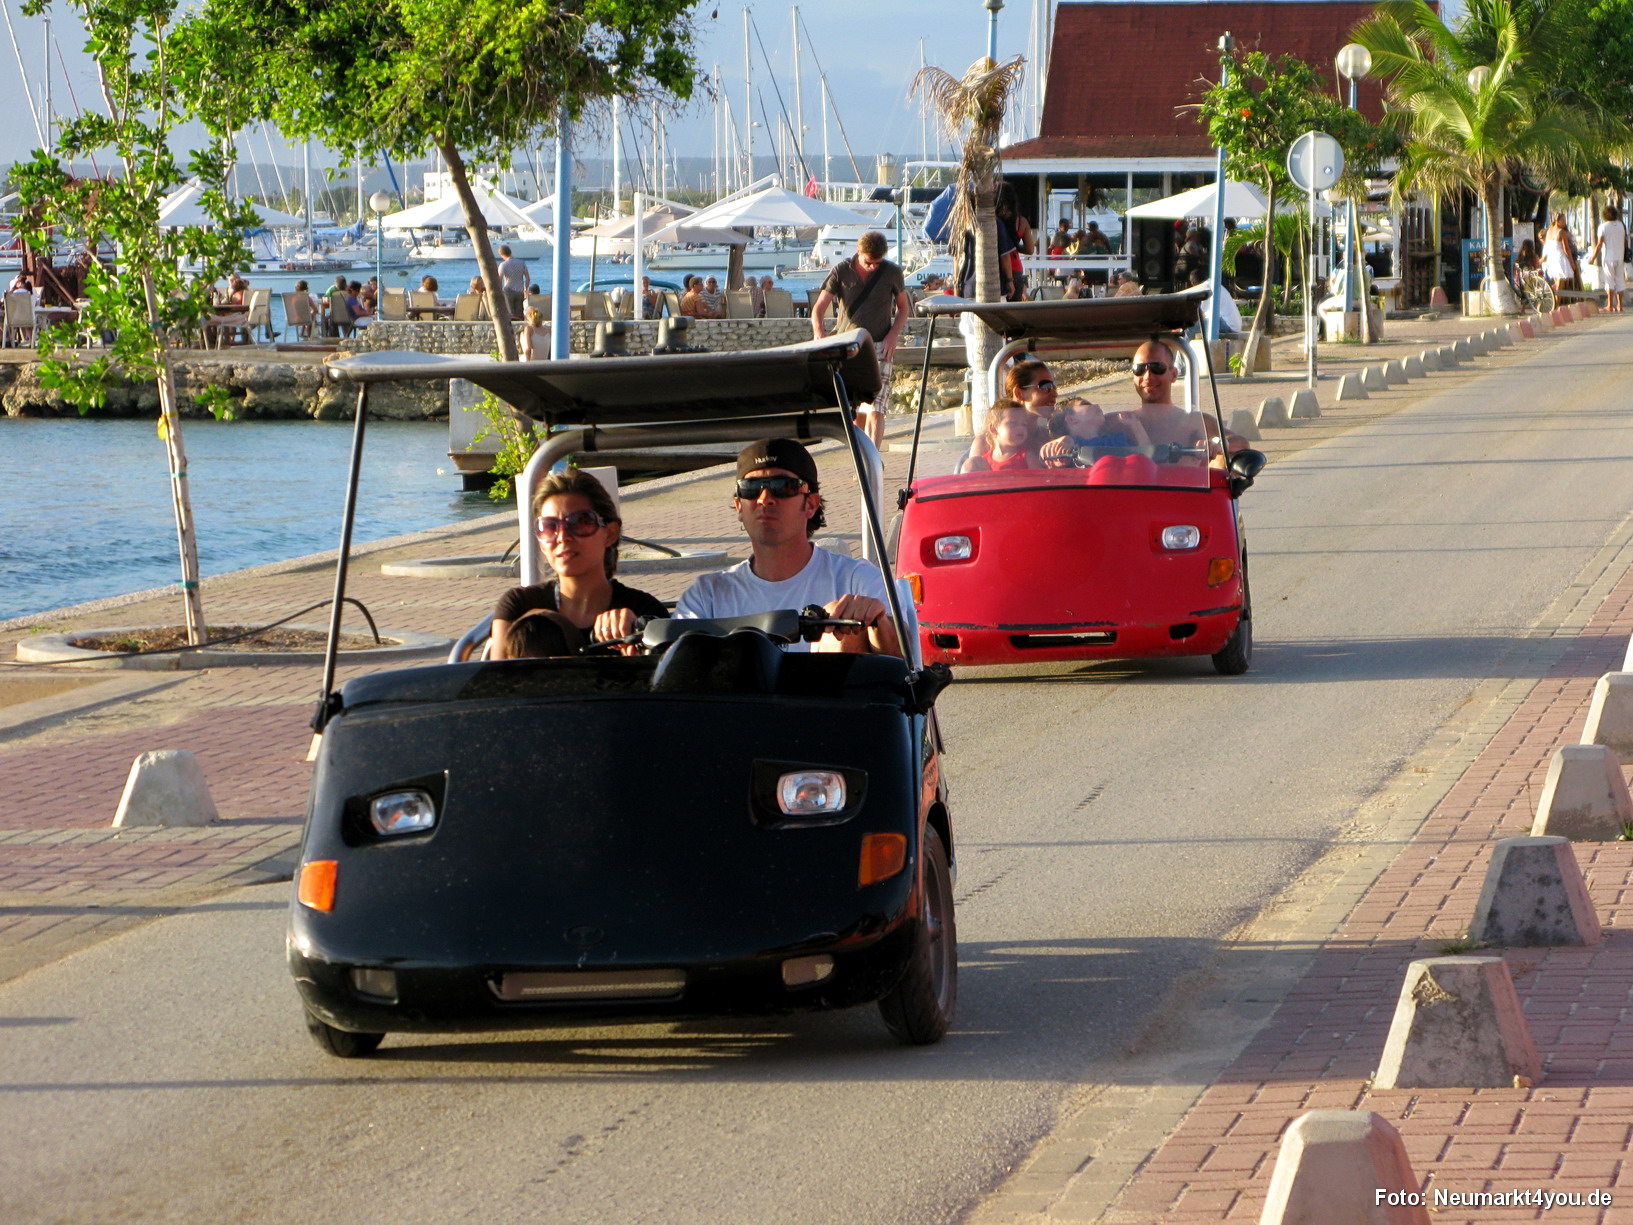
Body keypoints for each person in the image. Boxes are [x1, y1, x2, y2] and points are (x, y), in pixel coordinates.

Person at [675, 439, 902, 656]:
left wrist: (877, 622)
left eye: (782, 487)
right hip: (741, 697)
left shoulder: (858, 580)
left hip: (828, 696)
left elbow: (905, 667)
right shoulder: (707, 595)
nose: (765, 498)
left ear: (811, 504)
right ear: (739, 507)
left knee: (839, 632)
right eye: (750, 488)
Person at [489, 469, 667, 659]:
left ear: (610, 533)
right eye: (549, 527)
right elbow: (494, 682)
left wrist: (637, 641)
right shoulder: (519, 605)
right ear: (540, 541)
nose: (563, 538)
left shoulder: (644, 611)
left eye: (580, 523)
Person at [811, 230, 909, 449]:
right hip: (849, 346)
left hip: (880, 345)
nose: (873, 266)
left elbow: (903, 308)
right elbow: (819, 308)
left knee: (877, 408)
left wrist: (893, 335)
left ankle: (874, 459)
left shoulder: (892, 272)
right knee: (857, 410)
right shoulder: (841, 271)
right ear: (858, 252)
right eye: (868, 262)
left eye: (877, 262)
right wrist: (820, 333)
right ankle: (862, 457)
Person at [957, 400, 1044, 472]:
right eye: (1013, 423)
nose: (1020, 428)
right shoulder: (984, 463)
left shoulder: (1027, 457)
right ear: (993, 429)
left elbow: (1040, 483)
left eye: (1024, 424)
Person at [1589, 205, 1626, 313]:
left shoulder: (1603, 227)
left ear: (1605, 215)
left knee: (1609, 281)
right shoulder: (1621, 226)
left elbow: (1599, 244)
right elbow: (1625, 241)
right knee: (1620, 281)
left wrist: (1593, 258)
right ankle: (1620, 305)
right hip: (1620, 256)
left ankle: (1610, 305)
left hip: (1608, 257)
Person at [1542, 213, 1577, 290]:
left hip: (1551, 259)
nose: (1565, 222)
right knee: (1560, 285)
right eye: (1563, 220)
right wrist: (1572, 262)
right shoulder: (1561, 232)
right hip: (1560, 260)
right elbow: (1566, 249)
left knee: (1558, 284)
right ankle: (1555, 300)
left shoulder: (1549, 231)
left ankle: (1550, 295)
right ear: (1557, 221)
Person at [496, 243, 529, 319]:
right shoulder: (521, 263)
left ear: (502, 255)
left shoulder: (503, 265)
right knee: (519, 313)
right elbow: (527, 277)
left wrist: (499, 290)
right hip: (520, 290)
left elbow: (500, 278)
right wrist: (525, 289)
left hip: (508, 290)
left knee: (510, 312)